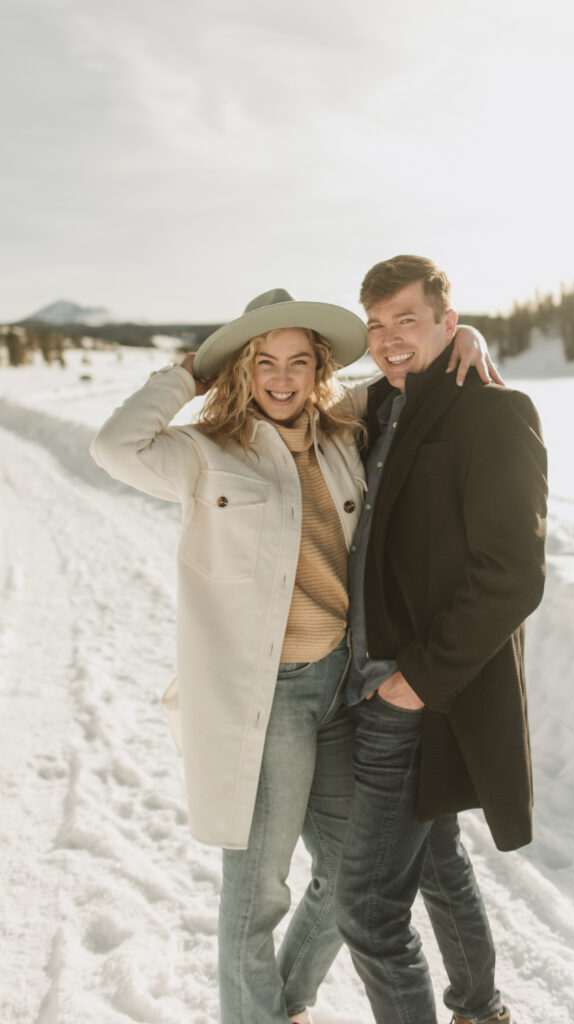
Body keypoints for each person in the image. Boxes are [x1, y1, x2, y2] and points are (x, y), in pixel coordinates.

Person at [89, 286, 497, 1024]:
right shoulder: (203, 455)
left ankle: (286, 1001)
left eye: (298, 362)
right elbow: (113, 448)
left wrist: (462, 342)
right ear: (243, 371)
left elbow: (408, 374)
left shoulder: (345, 438)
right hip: (264, 700)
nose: (282, 377)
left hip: (339, 690)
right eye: (264, 362)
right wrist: (188, 374)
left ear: (318, 372)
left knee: (349, 882)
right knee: (257, 894)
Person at [335, 255, 548, 1024]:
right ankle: (480, 1007)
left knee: (364, 907)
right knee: (436, 860)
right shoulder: (375, 411)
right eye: (378, 325)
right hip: (365, 681)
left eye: (408, 321)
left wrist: (414, 683)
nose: (390, 339)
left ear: (446, 324)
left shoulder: (493, 412)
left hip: (413, 689)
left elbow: (513, 573)